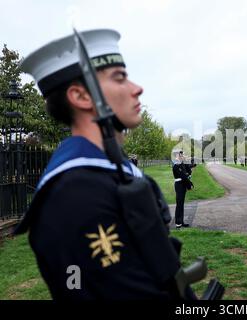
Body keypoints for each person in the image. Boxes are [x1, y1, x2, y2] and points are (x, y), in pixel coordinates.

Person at [14, 29, 196, 300]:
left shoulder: (110, 171)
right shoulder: (73, 194)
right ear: (81, 96)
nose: (137, 88)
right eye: (119, 78)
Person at [172, 151, 193, 229]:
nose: (181, 157)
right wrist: (189, 185)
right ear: (176, 157)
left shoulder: (182, 164)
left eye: (181, 155)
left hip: (183, 184)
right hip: (179, 185)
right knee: (179, 204)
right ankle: (178, 223)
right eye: (180, 156)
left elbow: (188, 171)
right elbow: (184, 176)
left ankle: (181, 221)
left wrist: (186, 161)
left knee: (181, 204)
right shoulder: (176, 166)